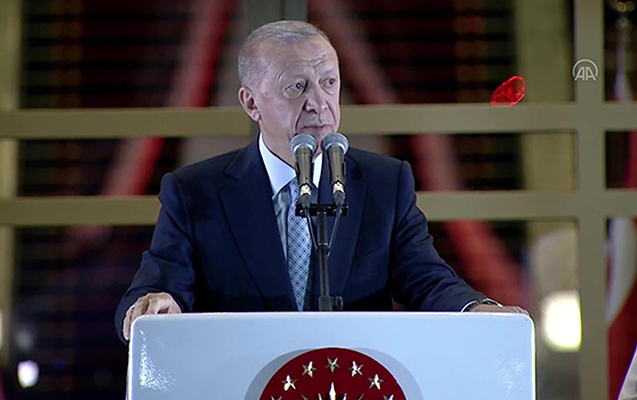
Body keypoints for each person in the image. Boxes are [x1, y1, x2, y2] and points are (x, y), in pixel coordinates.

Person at [115, 20, 526, 343]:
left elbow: (425, 278)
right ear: (251, 102)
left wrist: (476, 309)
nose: (319, 103)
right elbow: (155, 290)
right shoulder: (195, 193)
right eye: (297, 87)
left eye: (329, 83)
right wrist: (156, 306)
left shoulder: (384, 183)